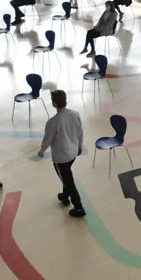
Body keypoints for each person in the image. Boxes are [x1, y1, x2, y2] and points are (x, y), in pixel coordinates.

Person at [37, 90, 85, 218]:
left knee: (68, 181)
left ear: (54, 104)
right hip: (73, 152)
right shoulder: (75, 114)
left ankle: (79, 207)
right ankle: (64, 196)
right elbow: (80, 132)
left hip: (61, 157)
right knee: (66, 175)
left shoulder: (53, 122)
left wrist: (41, 151)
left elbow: (47, 139)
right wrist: (80, 146)